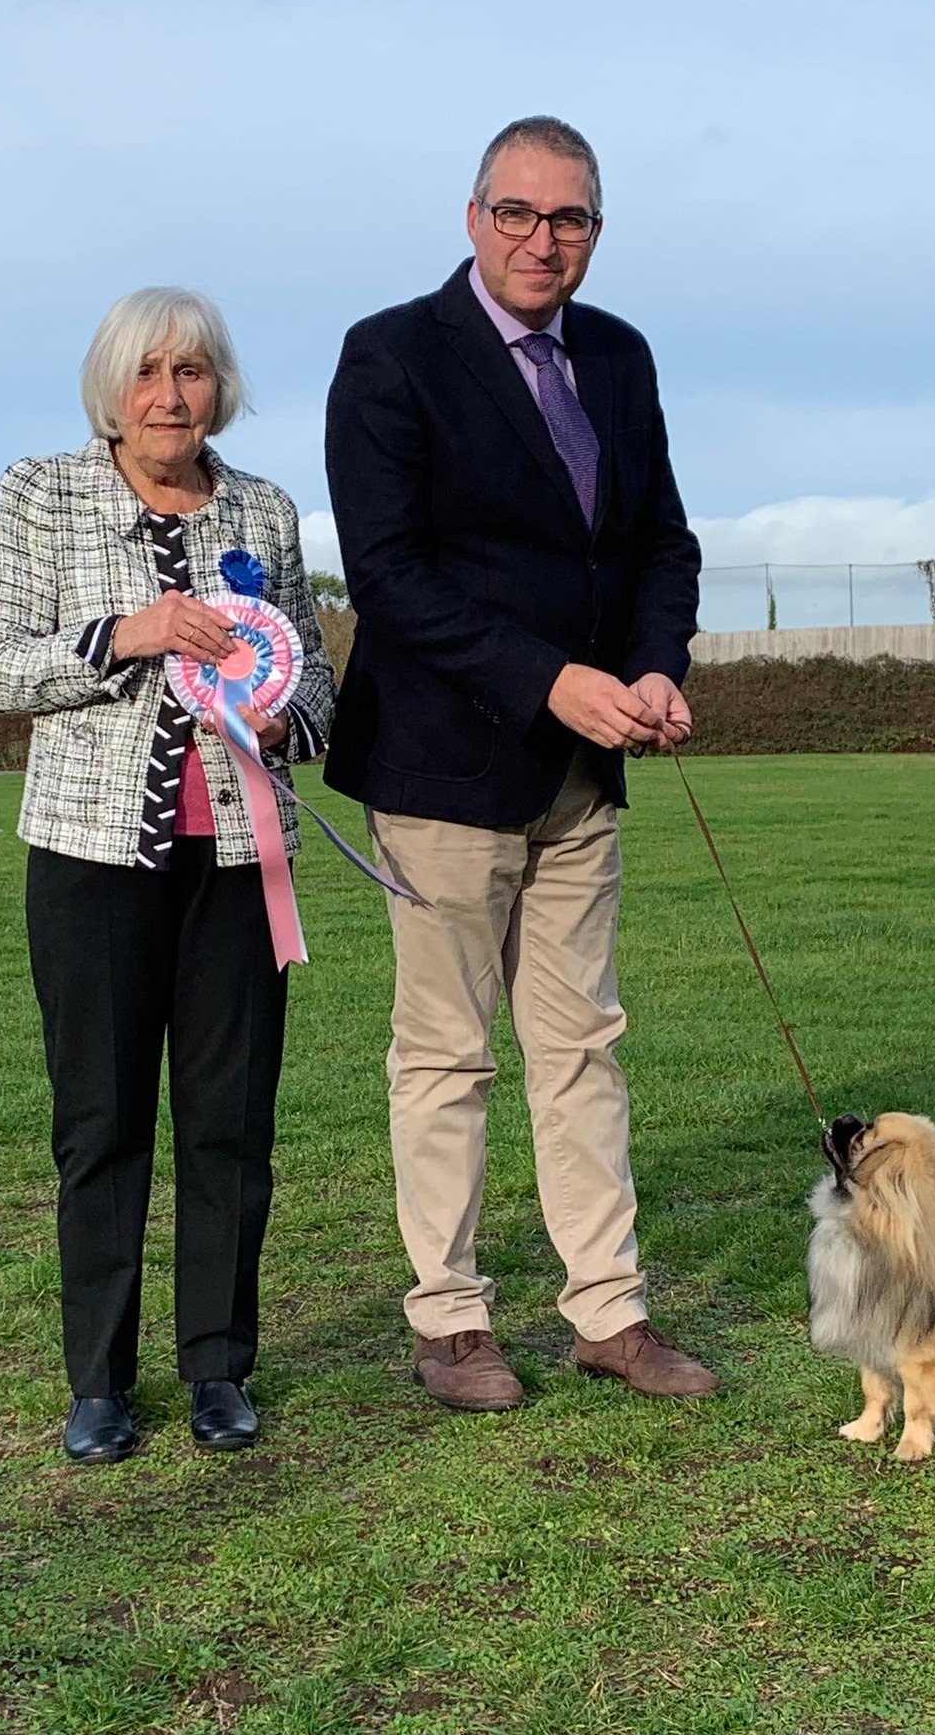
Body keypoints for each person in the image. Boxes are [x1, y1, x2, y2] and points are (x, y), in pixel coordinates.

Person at [323, 116, 715, 1411]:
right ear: (473, 216)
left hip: (582, 778)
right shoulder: (391, 355)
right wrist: (552, 680)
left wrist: (654, 666)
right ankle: (451, 1322)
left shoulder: (620, 356)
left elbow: (660, 543)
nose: (542, 240)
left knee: (583, 1046)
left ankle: (609, 1312)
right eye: (518, 213)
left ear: (596, 228)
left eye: (570, 218)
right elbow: (391, 578)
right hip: (442, 771)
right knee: (448, 1055)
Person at [0, 287, 335, 1461]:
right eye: (147, 372)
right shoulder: (44, 491)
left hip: (238, 861)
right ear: (111, 387)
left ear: (221, 386)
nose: (170, 395)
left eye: (193, 371)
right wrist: (128, 633)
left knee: (232, 1121)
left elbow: (317, 679)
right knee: (101, 1123)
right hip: (91, 862)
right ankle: (100, 1382)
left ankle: (219, 1364)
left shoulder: (266, 509)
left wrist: (284, 719)